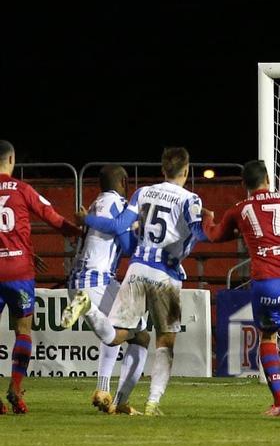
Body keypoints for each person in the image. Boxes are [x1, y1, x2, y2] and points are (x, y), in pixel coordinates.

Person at [66, 147, 209, 416]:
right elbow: (202, 234)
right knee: (164, 341)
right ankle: (151, 402)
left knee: (122, 334)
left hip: (131, 271)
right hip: (162, 273)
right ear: (186, 171)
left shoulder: (139, 193)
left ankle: (89, 311)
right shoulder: (190, 199)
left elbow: (118, 224)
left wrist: (87, 219)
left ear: (162, 169)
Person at [201, 160, 280, 416]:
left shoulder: (239, 210)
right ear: (268, 180)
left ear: (244, 186)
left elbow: (215, 236)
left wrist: (207, 220)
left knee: (269, 336)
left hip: (266, 282)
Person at [61, 165, 151, 414]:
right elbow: (128, 246)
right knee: (138, 335)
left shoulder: (95, 204)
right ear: (123, 181)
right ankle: (121, 402)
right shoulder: (119, 205)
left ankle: (104, 391)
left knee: (125, 331)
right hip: (97, 280)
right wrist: (136, 231)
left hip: (80, 280)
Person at [0, 140, 81, 415]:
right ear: (11, 160)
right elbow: (53, 218)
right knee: (23, 330)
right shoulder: (23, 189)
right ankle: (15, 388)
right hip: (19, 271)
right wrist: (80, 232)